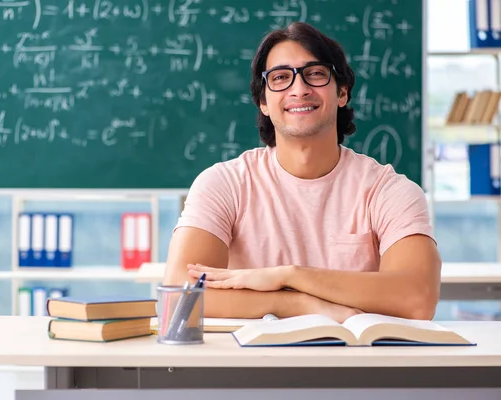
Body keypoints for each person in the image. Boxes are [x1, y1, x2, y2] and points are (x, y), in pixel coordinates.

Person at [163, 22, 441, 323]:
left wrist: (290, 276)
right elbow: (180, 296)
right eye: (281, 77)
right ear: (263, 102)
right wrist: (298, 304)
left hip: (357, 365)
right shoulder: (224, 184)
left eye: (316, 74)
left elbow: (417, 299)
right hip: (249, 365)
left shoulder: (389, 190)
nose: (299, 89)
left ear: (342, 92)